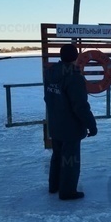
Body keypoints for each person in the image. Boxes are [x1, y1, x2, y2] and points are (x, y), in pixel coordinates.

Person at [43, 44, 97, 200]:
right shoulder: (74, 76)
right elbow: (80, 106)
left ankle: (54, 186)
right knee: (70, 159)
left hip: (55, 123)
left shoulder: (51, 72)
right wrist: (91, 125)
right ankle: (67, 191)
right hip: (70, 127)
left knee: (57, 155)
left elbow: (47, 97)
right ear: (76, 57)